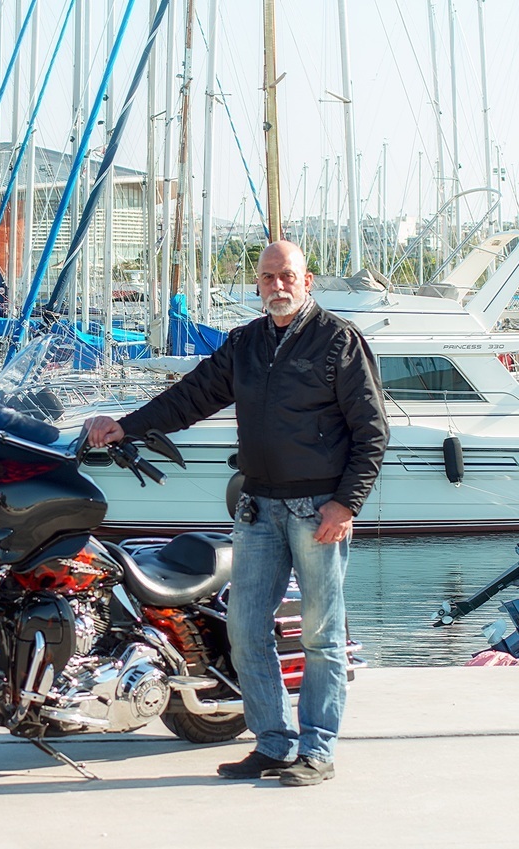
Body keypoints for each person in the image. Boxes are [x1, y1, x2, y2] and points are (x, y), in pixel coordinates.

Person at [87, 240, 388, 787]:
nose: (278, 285)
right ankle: (273, 743)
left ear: (307, 280)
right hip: (258, 507)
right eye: (269, 277)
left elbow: (372, 432)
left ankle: (317, 750)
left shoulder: (338, 341)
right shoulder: (246, 343)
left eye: (288, 275)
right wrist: (126, 426)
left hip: (317, 509)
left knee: (321, 636)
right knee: (247, 632)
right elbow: (190, 397)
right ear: (258, 284)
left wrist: (346, 504)